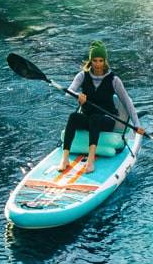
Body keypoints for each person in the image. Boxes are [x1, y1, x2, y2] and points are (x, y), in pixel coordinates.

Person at [58, 40, 145, 173]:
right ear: (90, 61)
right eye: (95, 60)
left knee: (95, 118)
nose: (98, 64)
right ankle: (65, 159)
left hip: (106, 119)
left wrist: (137, 124)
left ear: (105, 61)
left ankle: (91, 160)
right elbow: (68, 94)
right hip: (88, 117)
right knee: (73, 117)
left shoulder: (114, 80)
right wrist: (78, 95)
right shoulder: (82, 76)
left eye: (100, 60)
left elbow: (127, 102)